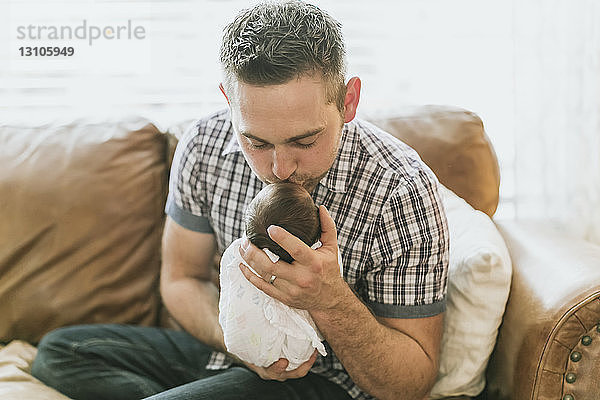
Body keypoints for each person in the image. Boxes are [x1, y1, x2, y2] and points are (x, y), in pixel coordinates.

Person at [31, 1, 449, 400]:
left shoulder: (402, 190)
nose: (280, 168)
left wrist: (329, 299)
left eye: (304, 140)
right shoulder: (203, 145)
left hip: (326, 383)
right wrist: (245, 343)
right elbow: (180, 279)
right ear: (229, 102)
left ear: (349, 101)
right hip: (226, 353)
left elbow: (409, 385)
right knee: (61, 352)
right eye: (256, 141)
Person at [219, 182, 339, 371]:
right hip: (287, 357)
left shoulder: (238, 251)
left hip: (236, 341)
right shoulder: (319, 258)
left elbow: (227, 285)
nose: (281, 171)